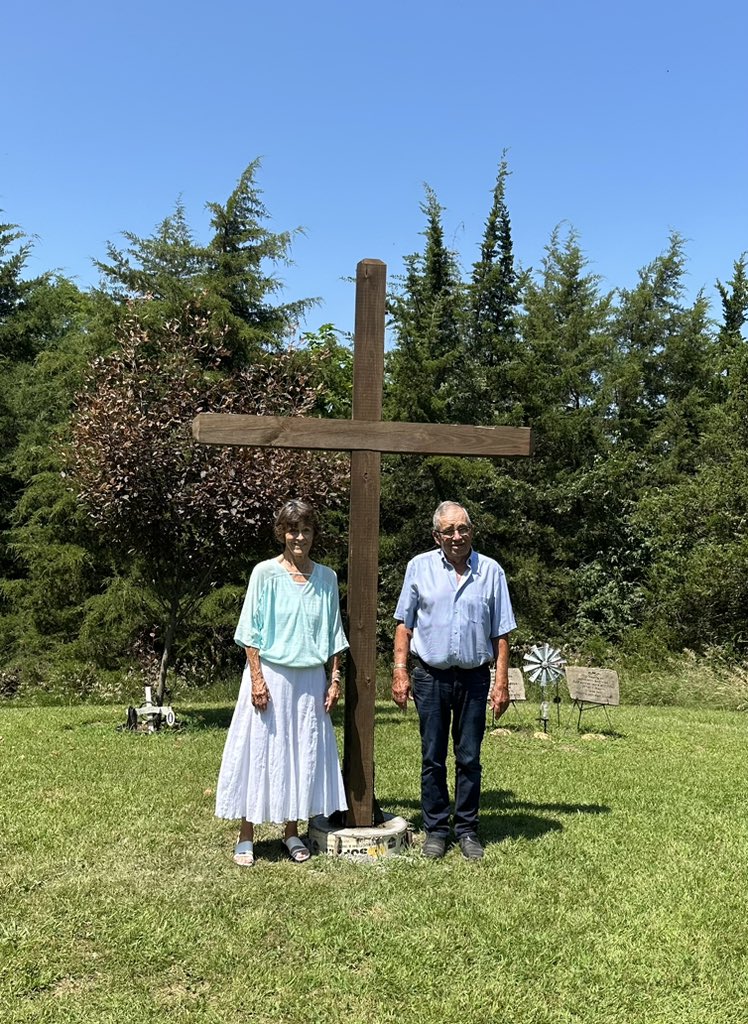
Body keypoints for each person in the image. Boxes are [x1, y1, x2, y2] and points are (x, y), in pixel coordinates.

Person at [215, 499, 348, 866]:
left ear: (314, 534)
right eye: (292, 530)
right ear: (282, 533)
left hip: (309, 679)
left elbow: (334, 634)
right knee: (259, 753)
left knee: (300, 753)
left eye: (305, 530)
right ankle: (246, 835)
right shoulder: (264, 573)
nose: (299, 537)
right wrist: (257, 678)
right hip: (270, 676)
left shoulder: (327, 578)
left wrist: (333, 679)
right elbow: (250, 633)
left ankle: (291, 832)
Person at [392, 501, 515, 860]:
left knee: (470, 757)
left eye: (463, 529)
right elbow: (404, 623)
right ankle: (435, 829)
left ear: (471, 531)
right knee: (432, 756)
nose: (457, 537)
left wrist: (501, 682)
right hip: (430, 676)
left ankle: (466, 829)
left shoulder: (491, 572)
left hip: (475, 678)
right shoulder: (419, 567)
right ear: (437, 536)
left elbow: (502, 633)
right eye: (449, 531)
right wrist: (400, 670)